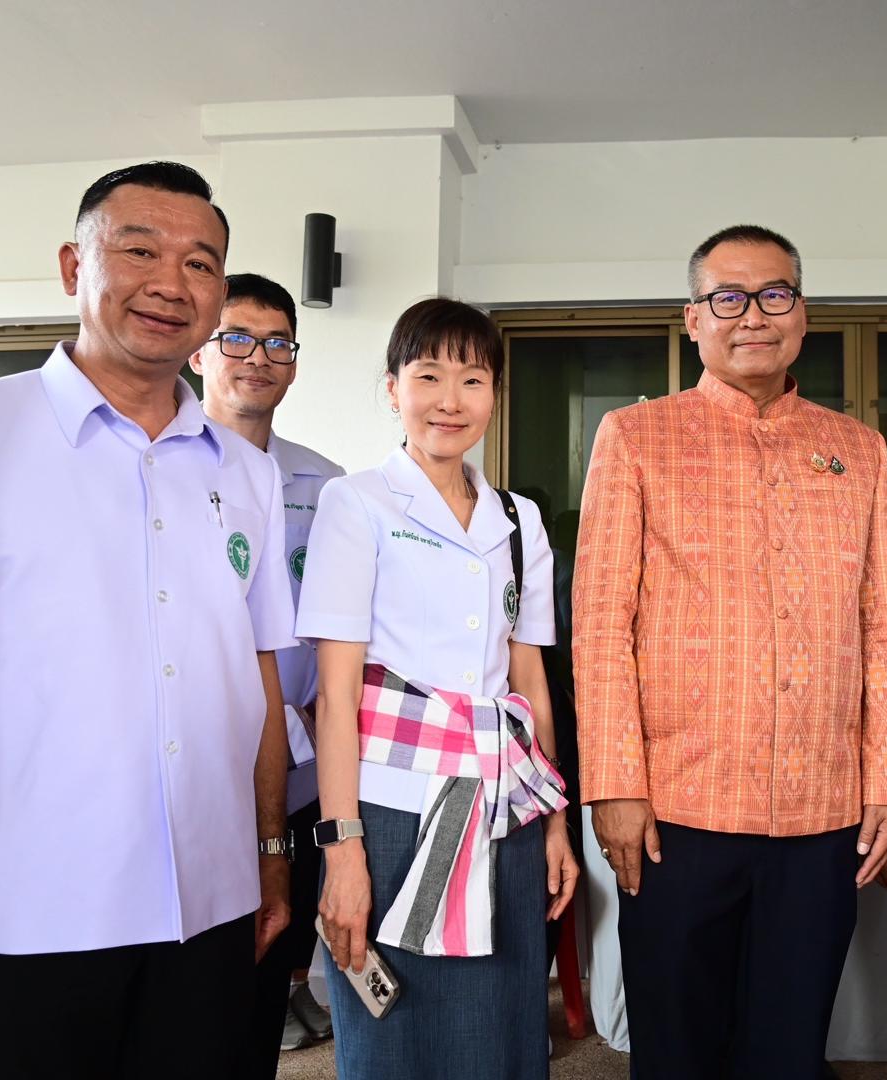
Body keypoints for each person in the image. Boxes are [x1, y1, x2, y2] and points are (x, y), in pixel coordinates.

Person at [0, 161, 298, 1079]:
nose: (171, 282)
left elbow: (255, 680)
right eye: (140, 250)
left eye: (200, 263)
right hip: (32, 916)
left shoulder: (248, 474)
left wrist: (269, 855)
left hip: (211, 905)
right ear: (72, 266)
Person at [573, 224, 887, 1079]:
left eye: (775, 294)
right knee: (677, 1045)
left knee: (789, 1047)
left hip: (821, 808)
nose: (753, 315)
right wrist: (614, 786)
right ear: (694, 319)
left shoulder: (859, 449)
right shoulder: (635, 436)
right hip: (676, 809)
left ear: (803, 314)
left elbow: (885, 624)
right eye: (728, 297)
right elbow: (601, 622)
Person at [296, 297, 578, 1080]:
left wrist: (555, 821)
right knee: (397, 1036)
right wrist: (342, 851)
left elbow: (529, 682)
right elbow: (337, 698)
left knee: (503, 1026)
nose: (450, 400)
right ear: (393, 388)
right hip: (390, 812)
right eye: (428, 376)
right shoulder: (357, 502)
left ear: (494, 395)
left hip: (505, 810)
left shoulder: (519, 520)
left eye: (473, 379)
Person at [188, 272, 344, 1070]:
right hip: (197, 763)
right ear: (199, 351)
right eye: (238, 339)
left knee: (270, 955)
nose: (258, 357)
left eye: (278, 342)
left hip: (302, 769)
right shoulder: (161, 469)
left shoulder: (325, 484)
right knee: (190, 977)